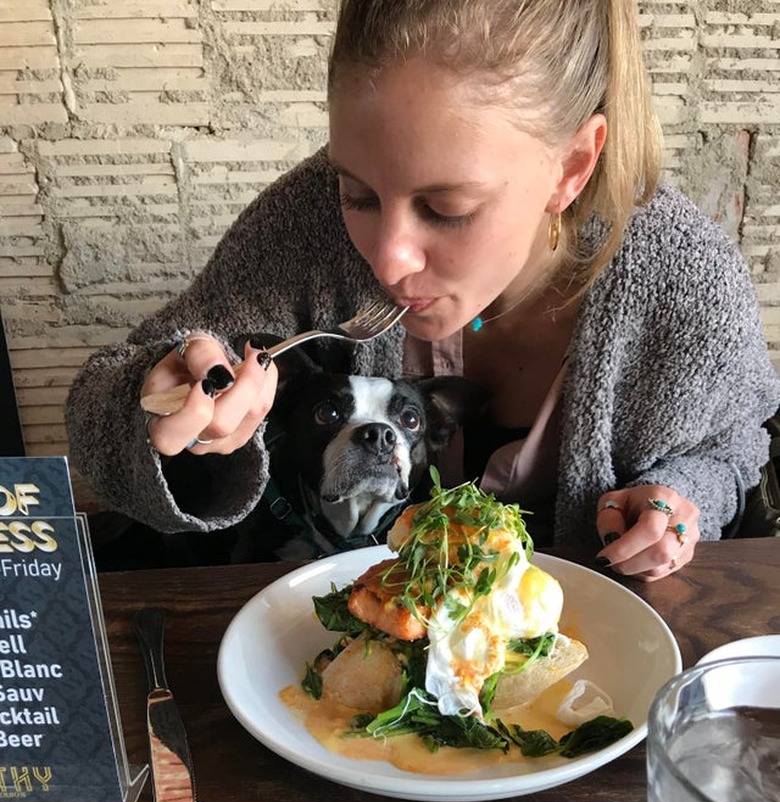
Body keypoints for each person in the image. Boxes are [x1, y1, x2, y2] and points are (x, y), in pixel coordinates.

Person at [66, 0, 780, 580]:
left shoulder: (683, 285)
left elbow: (733, 451)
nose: (388, 259)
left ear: (572, 165)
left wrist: (681, 501)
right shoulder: (305, 225)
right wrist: (161, 417)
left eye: (447, 208)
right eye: (359, 193)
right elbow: (105, 406)